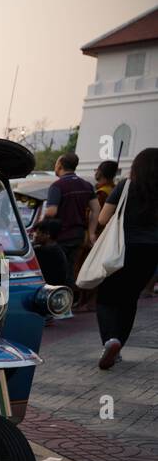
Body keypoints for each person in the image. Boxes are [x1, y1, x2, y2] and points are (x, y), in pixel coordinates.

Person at [95, 147, 158, 370]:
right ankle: (119, 344)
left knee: (105, 296)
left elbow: (103, 219)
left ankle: (110, 340)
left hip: (121, 248)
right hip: (151, 252)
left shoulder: (125, 186)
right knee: (129, 298)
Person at [42, 152, 98, 283]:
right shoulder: (86, 185)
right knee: (70, 269)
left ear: (60, 165)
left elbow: (51, 212)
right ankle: (69, 298)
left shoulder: (57, 186)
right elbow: (96, 210)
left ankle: (57, 299)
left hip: (61, 236)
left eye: (56, 163)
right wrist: (91, 233)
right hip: (78, 236)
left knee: (55, 271)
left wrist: (39, 225)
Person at [31, 218, 70, 287]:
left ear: (47, 234)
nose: (35, 235)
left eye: (38, 233)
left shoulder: (43, 251)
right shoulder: (56, 249)